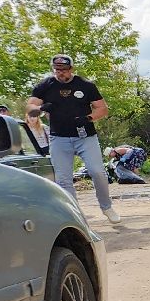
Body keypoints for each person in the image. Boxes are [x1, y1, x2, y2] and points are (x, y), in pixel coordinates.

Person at [27, 54, 119, 225]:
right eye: (57, 70)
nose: (60, 73)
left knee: (97, 172)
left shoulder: (85, 85)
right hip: (59, 138)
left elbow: (102, 109)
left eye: (63, 70)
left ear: (71, 69)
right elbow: (30, 108)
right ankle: (76, 217)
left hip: (85, 136)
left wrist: (89, 118)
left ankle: (106, 207)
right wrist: (40, 108)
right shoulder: (46, 86)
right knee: (63, 179)